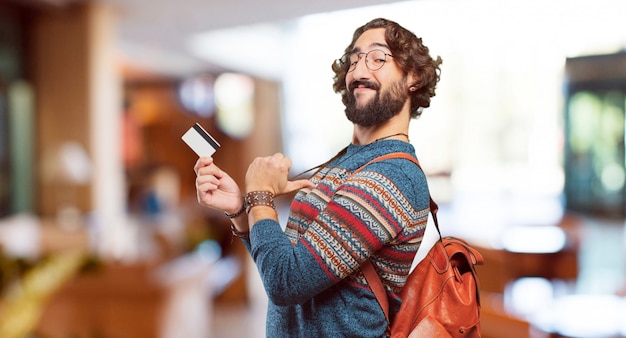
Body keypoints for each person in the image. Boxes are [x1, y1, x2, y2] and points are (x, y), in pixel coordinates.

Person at [194, 17, 442, 337]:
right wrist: (241, 209)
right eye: (353, 60)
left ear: (414, 76)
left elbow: (287, 282)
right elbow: (281, 264)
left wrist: (260, 194)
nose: (359, 71)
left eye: (378, 58)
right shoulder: (344, 162)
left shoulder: (394, 175)